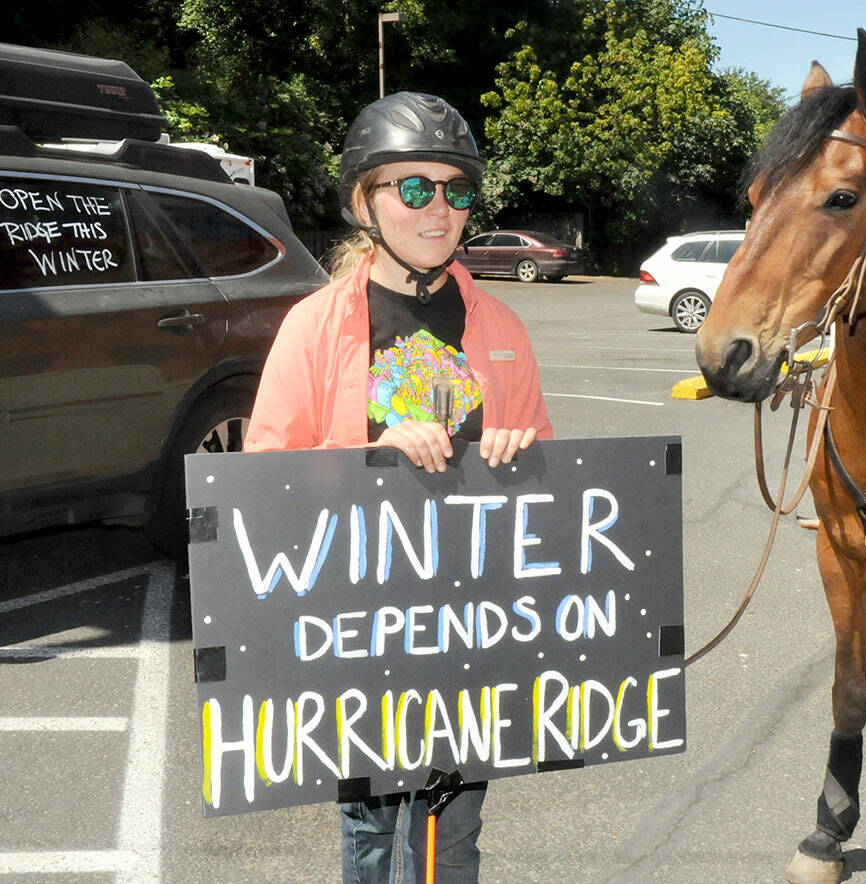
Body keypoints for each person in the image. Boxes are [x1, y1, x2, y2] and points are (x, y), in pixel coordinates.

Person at [243, 91, 553, 883]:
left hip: (472, 631)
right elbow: (262, 479)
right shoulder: (315, 326)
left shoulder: (502, 329)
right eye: (413, 188)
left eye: (457, 189)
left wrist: (519, 454)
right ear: (364, 201)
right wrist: (368, 454)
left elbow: (549, 490)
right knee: (374, 835)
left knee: (454, 835)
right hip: (360, 630)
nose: (439, 208)